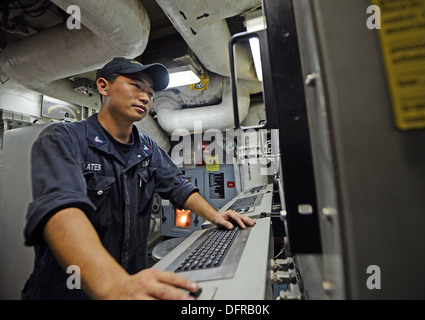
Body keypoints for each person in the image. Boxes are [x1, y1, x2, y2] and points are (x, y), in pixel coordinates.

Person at [22, 57, 256, 300]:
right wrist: (113, 284)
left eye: (151, 93)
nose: (145, 97)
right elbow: (61, 211)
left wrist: (216, 216)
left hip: (129, 283)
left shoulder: (147, 148)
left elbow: (179, 187)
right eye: (136, 85)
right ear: (104, 87)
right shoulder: (63, 138)